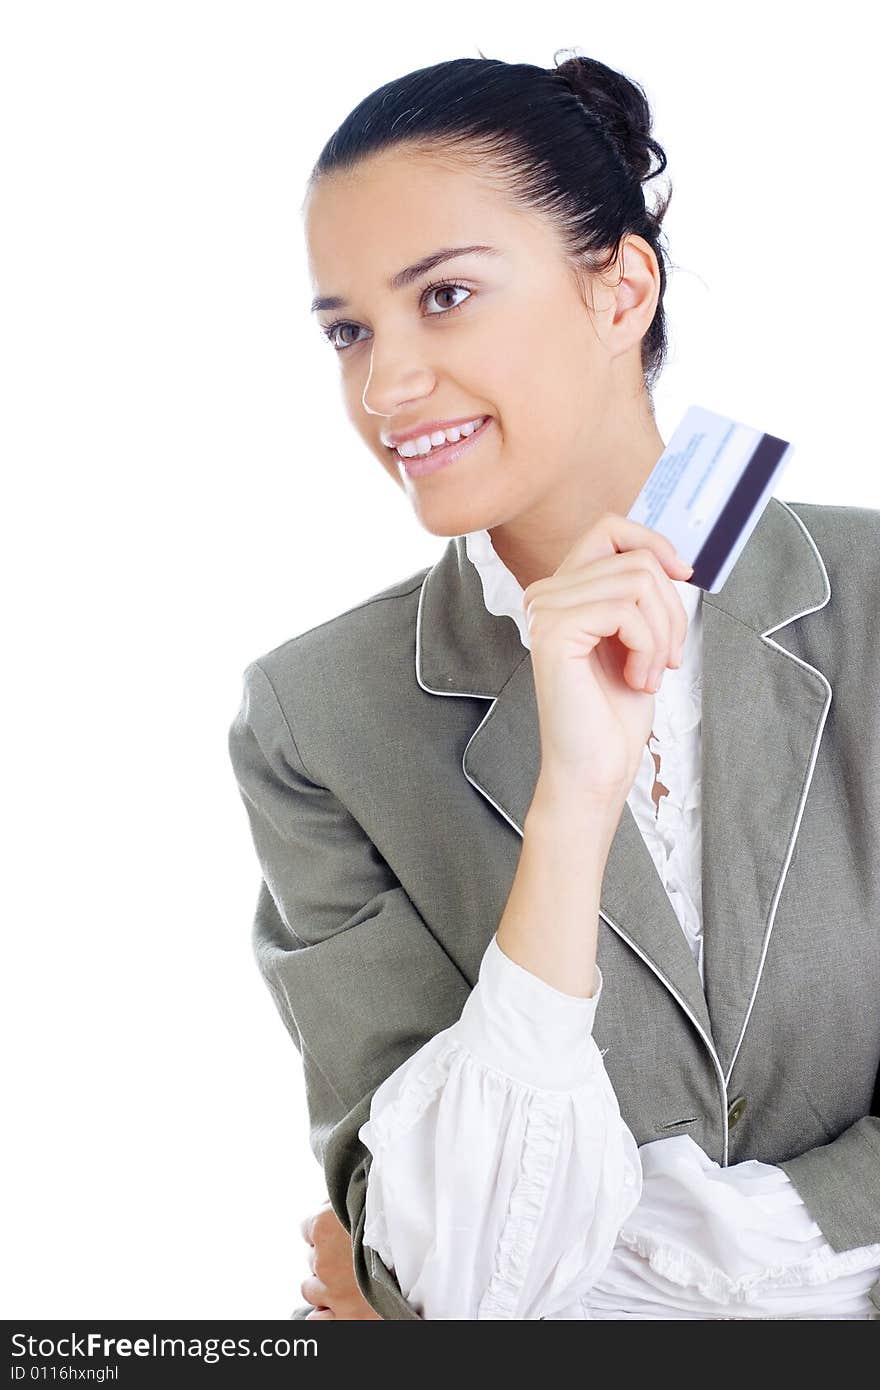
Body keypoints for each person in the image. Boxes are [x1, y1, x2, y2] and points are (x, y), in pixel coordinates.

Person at [228, 50, 880, 1320]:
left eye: (448, 296)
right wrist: (573, 798)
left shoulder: (872, 595)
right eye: (349, 330)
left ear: (620, 285)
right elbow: (457, 1272)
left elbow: (436, 1305)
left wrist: (636, 1275)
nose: (385, 386)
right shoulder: (316, 723)